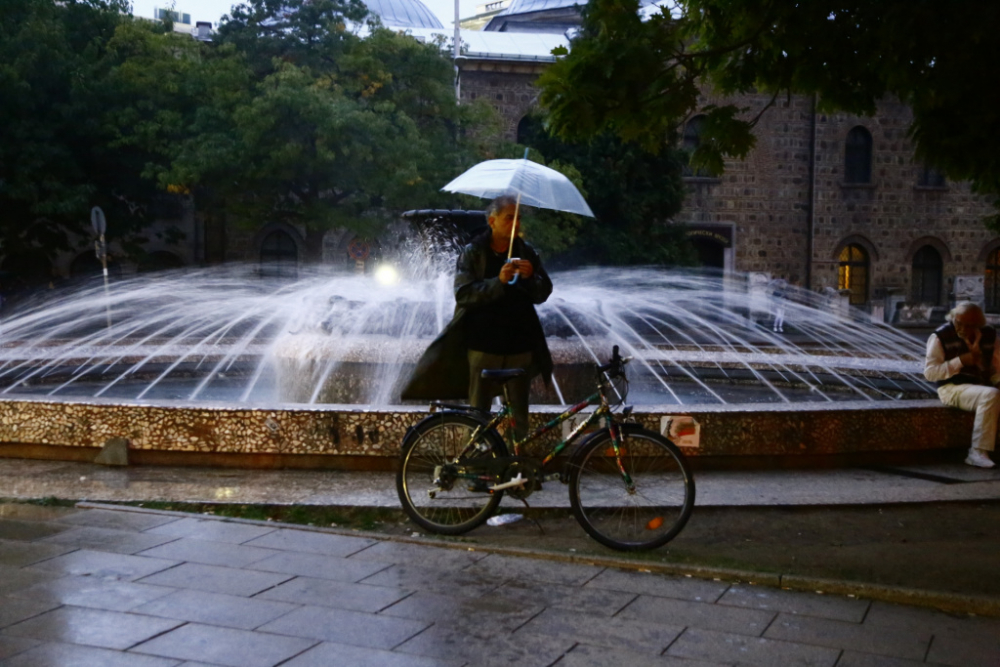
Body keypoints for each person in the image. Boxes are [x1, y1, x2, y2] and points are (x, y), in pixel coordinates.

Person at [401, 194, 553, 439]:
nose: (515, 224)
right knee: (478, 415)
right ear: (492, 221)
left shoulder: (526, 253)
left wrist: (531, 277)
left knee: (518, 417)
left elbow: (543, 292)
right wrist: (498, 282)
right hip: (484, 346)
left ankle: (517, 469)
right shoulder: (474, 253)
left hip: (520, 346)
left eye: (519, 219)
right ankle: (477, 469)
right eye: (509, 218)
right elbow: (464, 294)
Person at [924, 301, 999, 468]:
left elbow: (996, 368)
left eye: (969, 325)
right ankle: (977, 452)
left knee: (992, 393)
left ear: (979, 325)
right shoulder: (940, 336)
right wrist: (960, 361)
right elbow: (930, 373)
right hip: (951, 388)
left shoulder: (989, 335)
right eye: (958, 322)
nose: (963, 328)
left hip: (980, 386)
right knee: (990, 395)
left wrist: (998, 380)